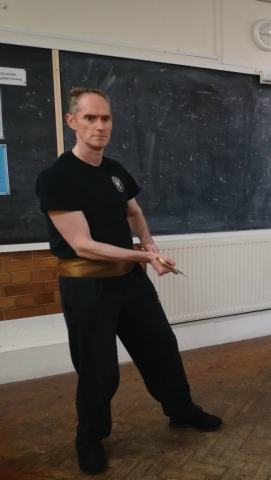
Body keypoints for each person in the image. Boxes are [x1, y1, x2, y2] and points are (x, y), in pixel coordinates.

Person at [35, 88, 222, 475]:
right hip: (88, 287)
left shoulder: (115, 169)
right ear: (72, 122)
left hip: (130, 283)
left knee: (162, 349)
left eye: (105, 118)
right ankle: (89, 436)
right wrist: (145, 256)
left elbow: (133, 212)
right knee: (99, 370)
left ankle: (181, 411)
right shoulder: (56, 178)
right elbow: (83, 245)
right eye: (90, 118)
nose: (99, 125)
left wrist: (150, 245)